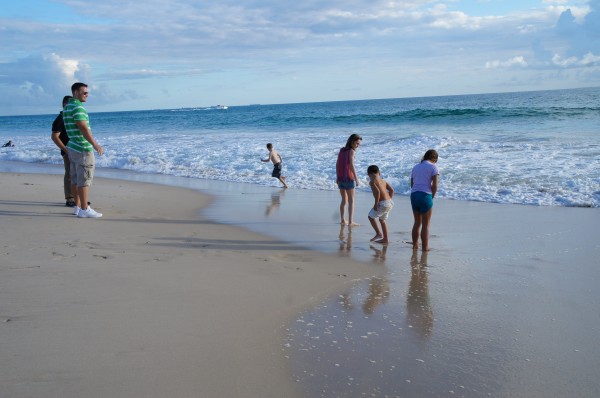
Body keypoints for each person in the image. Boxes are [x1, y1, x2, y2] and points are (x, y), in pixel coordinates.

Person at [64, 82, 103, 218]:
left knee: (75, 179)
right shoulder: (78, 107)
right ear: (76, 92)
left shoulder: (68, 106)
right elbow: (83, 127)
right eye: (84, 92)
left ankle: (78, 206)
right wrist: (94, 144)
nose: (87, 95)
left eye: (87, 92)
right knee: (84, 179)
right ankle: (85, 209)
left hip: (72, 146)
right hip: (82, 148)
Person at [410, 149, 439, 251]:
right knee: (426, 224)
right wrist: (432, 196)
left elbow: (412, 184)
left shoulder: (416, 167)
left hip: (414, 195)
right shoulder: (433, 167)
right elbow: (435, 185)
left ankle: (415, 245)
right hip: (425, 195)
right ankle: (425, 248)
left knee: (417, 222)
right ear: (434, 159)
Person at [51, 95, 75, 207]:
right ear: (65, 105)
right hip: (67, 150)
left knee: (77, 173)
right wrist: (66, 150)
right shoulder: (60, 119)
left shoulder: (70, 117)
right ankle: (69, 198)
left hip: (76, 149)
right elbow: (54, 137)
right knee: (69, 173)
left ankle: (77, 198)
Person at [336, 133, 361, 225]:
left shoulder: (342, 150)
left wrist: (337, 176)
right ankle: (350, 222)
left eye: (359, 144)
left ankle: (343, 219)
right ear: (352, 141)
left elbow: (337, 164)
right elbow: (351, 165)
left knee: (344, 200)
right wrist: (356, 178)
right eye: (357, 143)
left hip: (341, 179)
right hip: (349, 179)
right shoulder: (352, 151)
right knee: (351, 201)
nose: (357, 146)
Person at [367, 165, 394, 244]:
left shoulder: (372, 182)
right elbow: (392, 190)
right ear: (379, 172)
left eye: (369, 176)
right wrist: (388, 200)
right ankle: (385, 239)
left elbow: (378, 193)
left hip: (382, 204)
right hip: (390, 202)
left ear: (369, 174)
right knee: (382, 220)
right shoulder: (383, 181)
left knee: (370, 217)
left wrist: (376, 204)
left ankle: (378, 233)